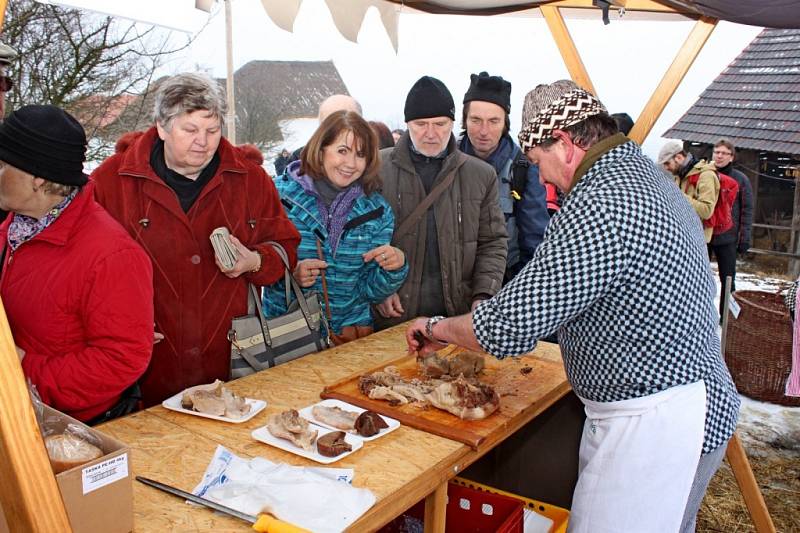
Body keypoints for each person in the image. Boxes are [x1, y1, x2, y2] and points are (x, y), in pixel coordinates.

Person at [406, 80, 739, 533]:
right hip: (678, 401)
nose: (540, 176)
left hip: (655, 422)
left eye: (539, 160)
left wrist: (436, 327)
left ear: (564, 144)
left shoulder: (602, 202)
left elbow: (506, 326)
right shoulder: (640, 172)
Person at [92, 72, 300, 407]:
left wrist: (256, 261)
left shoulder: (250, 179)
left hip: (230, 363)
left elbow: (286, 248)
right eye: (190, 130)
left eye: (212, 130)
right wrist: (118, 324)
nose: (202, 141)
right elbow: (85, 271)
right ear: (162, 127)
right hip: (145, 373)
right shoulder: (112, 181)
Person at [0, 105, 154, 423]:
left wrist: (23, 368)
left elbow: (121, 361)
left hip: (70, 429)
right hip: (15, 413)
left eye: (2, 164)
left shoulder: (111, 255)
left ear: (37, 177)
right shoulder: (11, 230)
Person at [375, 75, 507, 329]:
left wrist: (483, 295)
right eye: (420, 124)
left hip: (456, 313)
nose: (431, 134)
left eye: (440, 123)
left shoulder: (480, 175)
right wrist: (378, 289)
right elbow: (359, 240)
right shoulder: (377, 170)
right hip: (394, 313)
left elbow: (493, 242)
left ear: (454, 123)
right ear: (407, 123)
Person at [263, 111, 408, 340]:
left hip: (350, 340)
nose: (350, 164)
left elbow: (370, 291)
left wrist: (395, 268)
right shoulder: (275, 197)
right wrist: (290, 277)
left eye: (361, 155)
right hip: (288, 338)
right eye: (342, 151)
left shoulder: (376, 211)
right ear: (321, 149)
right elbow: (254, 266)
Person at [458, 71, 549, 281]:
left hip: (504, 282)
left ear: (505, 123)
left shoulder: (523, 167)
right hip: (452, 285)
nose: (484, 130)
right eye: (475, 120)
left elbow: (535, 240)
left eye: (493, 121)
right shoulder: (445, 162)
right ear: (464, 120)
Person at [709, 138, 753, 304]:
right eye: (716, 152)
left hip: (728, 236)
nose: (719, 156)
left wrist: (744, 239)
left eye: (724, 153)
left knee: (728, 280)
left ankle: (726, 317)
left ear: (731, 157)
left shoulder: (741, 180)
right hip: (705, 235)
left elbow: (746, 210)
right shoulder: (706, 174)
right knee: (700, 278)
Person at [659, 140, 719, 243]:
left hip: (698, 240)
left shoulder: (706, 175)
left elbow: (707, 211)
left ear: (678, 157)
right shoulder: (680, 175)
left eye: (667, 163)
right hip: (683, 235)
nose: (665, 167)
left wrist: (679, 196)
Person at [288, 94, 363, 164]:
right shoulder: (300, 161)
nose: (338, 129)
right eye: (329, 123)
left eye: (346, 121)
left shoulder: (372, 156)